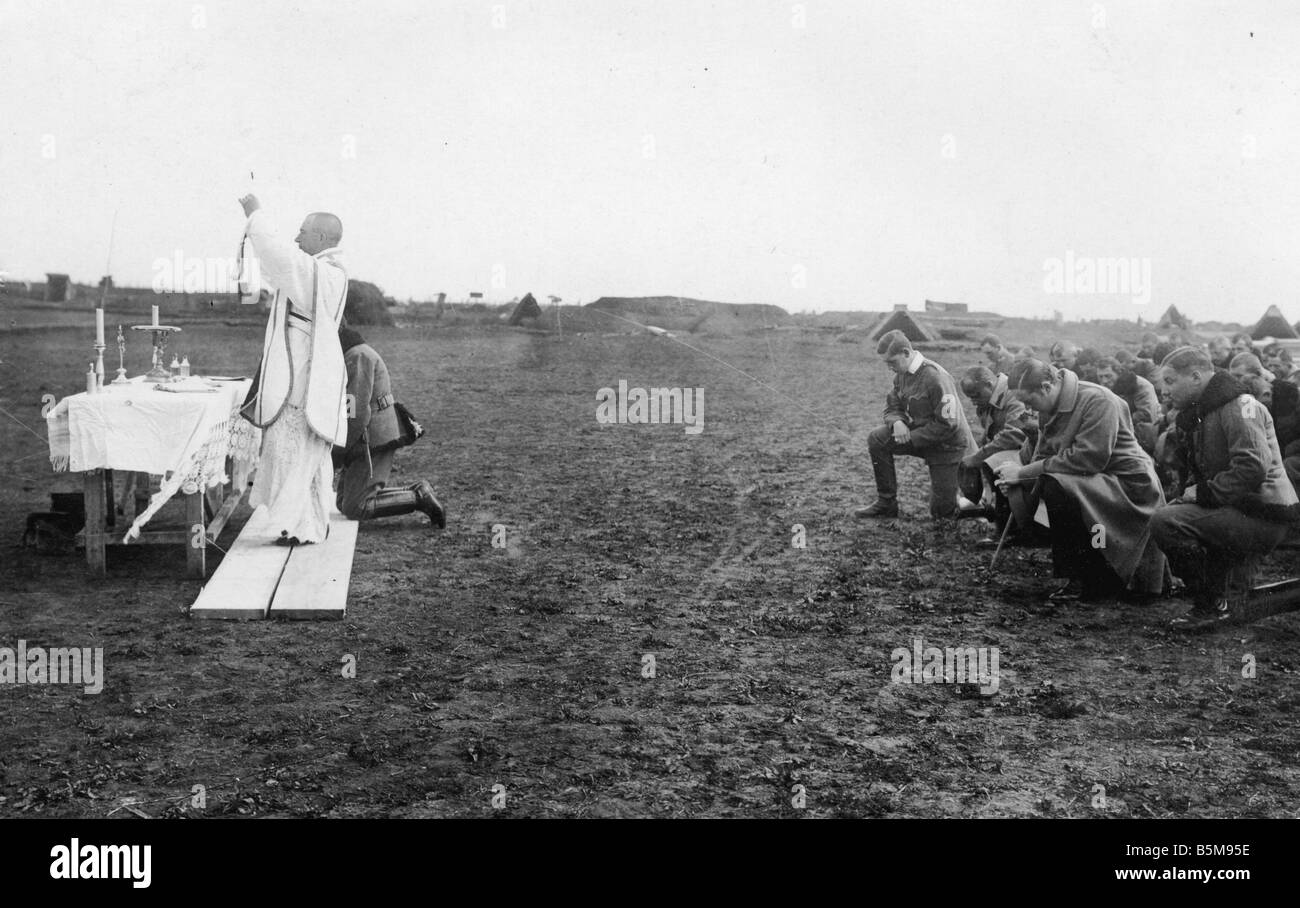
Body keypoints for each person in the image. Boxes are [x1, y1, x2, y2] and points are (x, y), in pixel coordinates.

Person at [993, 359, 1167, 602]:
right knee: (1053, 483)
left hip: (1128, 484)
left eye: (1029, 401)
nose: (1028, 410)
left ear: (1046, 387)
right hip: (1094, 479)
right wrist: (1019, 478)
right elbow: (1045, 453)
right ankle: (1080, 575)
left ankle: (1090, 578)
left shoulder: (1098, 400)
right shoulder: (1049, 404)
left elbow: (1088, 459)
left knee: (1057, 486)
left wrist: (1023, 473)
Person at [1150, 347, 1299, 628]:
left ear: (1196, 377)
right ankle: (1223, 594)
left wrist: (1203, 493)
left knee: (1166, 522)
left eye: (1170, 382)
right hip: (1241, 508)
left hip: (1264, 514)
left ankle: (1211, 604)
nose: (1165, 391)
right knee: (1175, 514)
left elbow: (1252, 467)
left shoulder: (1240, 405)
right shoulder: (1206, 409)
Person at [239, 194, 348, 546]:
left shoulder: (325, 274)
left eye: (302, 232)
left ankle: (296, 528)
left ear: (321, 238)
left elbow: (279, 256)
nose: (297, 239)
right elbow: (281, 267)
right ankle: (306, 525)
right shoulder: (316, 271)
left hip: (305, 382)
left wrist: (256, 215)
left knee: (296, 451)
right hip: (301, 376)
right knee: (299, 454)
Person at [858, 330, 976, 519]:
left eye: (892, 362)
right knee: (877, 438)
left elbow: (948, 425)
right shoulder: (901, 374)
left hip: (948, 447)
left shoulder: (936, 377)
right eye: (887, 363)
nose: (890, 368)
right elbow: (891, 407)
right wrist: (897, 422)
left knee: (941, 513)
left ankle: (979, 509)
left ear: (906, 353)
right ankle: (886, 502)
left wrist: (911, 437)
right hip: (925, 438)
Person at [335, 326, 445, 528]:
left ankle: (418, 497)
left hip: (372, 434)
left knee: (357, 507)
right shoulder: (355, 353)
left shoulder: (356, 356)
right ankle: (418, 492)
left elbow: (356, 413)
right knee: (343, 503)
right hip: (371, 430)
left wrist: (340, 450)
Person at [957, 365, 1031, 541]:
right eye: (970, 397)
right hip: (1013, 453)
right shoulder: (989, 400)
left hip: (1030, 452)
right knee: (988, 462)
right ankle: (995, 511)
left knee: (997, 463)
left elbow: (1015, 435)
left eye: (976, 395)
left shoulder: (1012, 396)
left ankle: (1010, 530)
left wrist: (979, 456)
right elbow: (990, 434)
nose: (973, 401)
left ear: (990, 384)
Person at [1094, 356, 1161, 453]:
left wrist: (1114, 420)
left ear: (1119, 373)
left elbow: (1147, 415)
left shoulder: (1139, 385)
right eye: (1100, 377)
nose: (1104, 381)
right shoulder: (1104, 388)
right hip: (1123, 429)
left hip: (1149, 433)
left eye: (1108, 376)